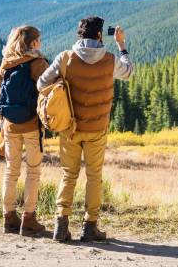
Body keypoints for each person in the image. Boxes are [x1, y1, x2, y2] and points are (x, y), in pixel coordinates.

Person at [37, 16, 133, 242]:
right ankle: (90, 227)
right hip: (97, 129)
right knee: (94, 176)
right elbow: (128, 72)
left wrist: (62, 82)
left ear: (79, 35)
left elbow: (41, 83)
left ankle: (61, 225)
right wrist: (122, 45)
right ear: (100, 35)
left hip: (70, 128)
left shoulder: (65, 58)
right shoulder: (110, 60)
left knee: (68, 175)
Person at [0, 26, 49, 236]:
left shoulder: (5, 65)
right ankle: (28, 219)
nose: (41, 44)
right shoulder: (37, 63)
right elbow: (49, 92)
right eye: (39, 40)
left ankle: (8, 218)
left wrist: (2, 127)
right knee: (33, 172)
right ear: (33, 43)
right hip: (31, 124)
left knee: (11, 171)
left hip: (9, 125)